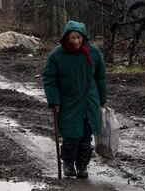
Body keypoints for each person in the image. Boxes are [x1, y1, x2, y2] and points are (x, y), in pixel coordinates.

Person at [42, 20, 107, 178]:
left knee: (85, 137)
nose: (76, 41)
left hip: (89, 101)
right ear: (66, 38)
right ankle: (68, 164)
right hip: (68, 102)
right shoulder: (57, 55)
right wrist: (54, 101)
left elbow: (100, 77)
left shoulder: (93, 52)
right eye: (72, 38)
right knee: (71, 136)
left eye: (78, 37)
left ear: (83, 37)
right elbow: (49, 79)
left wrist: (102, 99)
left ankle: (82, 166)